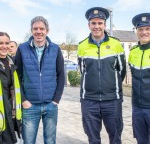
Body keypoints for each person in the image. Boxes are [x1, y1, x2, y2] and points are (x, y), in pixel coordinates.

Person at [77, 7, 126, 144]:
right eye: (93, 23)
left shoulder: (116, 44)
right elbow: (83, 70)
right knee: (93, 138)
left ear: (104, 25)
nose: (97, 26)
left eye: (100, 23)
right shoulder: (82, 46)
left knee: (115, 137)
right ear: (89, 25)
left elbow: (121, 71)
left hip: (112, 100)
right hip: (89, 100)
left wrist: (109, 84)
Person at [15, 16, 65, 144]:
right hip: (30, 106)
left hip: (50, 105)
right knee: (29, 141)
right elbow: (17, 77)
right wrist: (24, 100)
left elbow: (61, 75)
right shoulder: (22, 49)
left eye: (41, 28)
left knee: (50, 140)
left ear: (47, 30)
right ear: (31, 31)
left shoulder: (55, 49)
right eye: (35, 28)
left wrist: (56, 100)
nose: (38, 31)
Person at [128, 13, 150, 144]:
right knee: (141, 141)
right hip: (137, 107)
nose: (144, 32)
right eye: (141, 29)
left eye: (148, 29)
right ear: (136, 31)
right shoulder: (133, 51)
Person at [0, 32, 22, 144]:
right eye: (0, 43)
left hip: (8, 113)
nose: (4, 46)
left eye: (7, 43)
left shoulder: (11, 63)